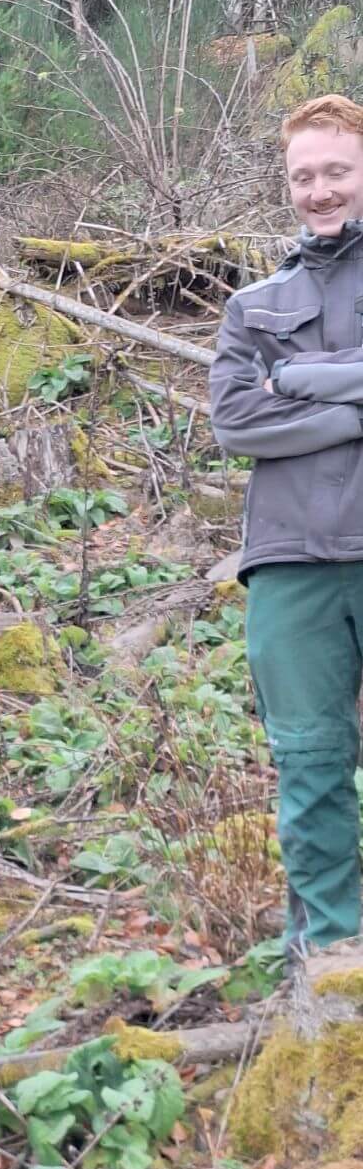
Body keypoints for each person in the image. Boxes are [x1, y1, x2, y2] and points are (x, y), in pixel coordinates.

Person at [211, 93, 363, 957]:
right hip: (290, 562)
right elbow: (237, 424)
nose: (319, 190)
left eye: (336, 170)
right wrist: (354, 409)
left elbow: (271, 406)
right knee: (309, 769)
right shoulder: (254, 306)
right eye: (303, 176)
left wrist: (300, 381)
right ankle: (331, 966)